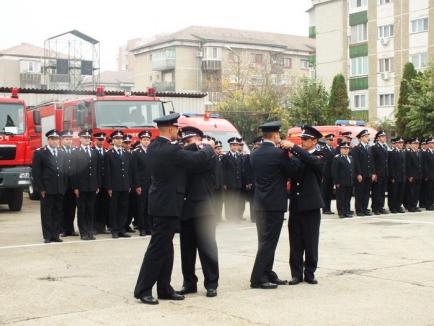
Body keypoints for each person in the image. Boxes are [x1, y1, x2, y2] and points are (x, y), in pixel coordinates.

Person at [133, 112, 215, 305]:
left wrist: (195, 145)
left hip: (161, 203)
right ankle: (143, 289)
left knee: (166, 248)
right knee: (157, 249)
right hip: (167, 204)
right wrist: (209, 148)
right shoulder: (170, 151)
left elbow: (182, 151)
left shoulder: (155, 146)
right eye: (176, 129)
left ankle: (164, 288)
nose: (178, 132)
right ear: (171, 129)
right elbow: (195, 160)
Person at [249, 121, 299, 290]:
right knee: (269, 242)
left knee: (264, 240)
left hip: (259, 203)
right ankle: (257, 278)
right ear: (276, 134)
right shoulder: (279, 154)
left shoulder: (254, 153)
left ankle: (267, 273)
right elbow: (292, 172)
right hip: (274, 203)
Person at [176, 126, 219, 298]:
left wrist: (202, 147)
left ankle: (212, 283)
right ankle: (189, 283)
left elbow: (195, 161)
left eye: (190, 140)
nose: (187, 144)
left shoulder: (207, 156)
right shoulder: (187, 155)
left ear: (200, 139)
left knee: (207, 249)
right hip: (185, 208)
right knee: (186, 250)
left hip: (203, 208)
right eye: (184, 141)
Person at [281, 125, 325, 285]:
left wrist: (293, 147)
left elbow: (314, 162)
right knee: (296, 240)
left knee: (311, 241)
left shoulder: (320, 154)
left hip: (311, 205)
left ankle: (310, 272)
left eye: (306, 140)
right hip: (296, 204)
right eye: (301, 140)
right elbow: (292, 172)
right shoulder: (297, 156)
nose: (303, 142)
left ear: (314, 141)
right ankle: (296, 273)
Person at [32, 129, 67, 243]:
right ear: (48, 140)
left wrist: (64, 186)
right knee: (47, 213)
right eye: (53, 139)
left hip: (59, 188)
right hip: (47, 189)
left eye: (57, 139)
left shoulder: (61, 152)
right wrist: (41, 188)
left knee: (57, 212)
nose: (55, 141)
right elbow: (36, 173)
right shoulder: (40, 153)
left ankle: (55, 235)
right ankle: (47, 236)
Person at [72, 129, 100, 240]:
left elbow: (96, 170)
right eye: (85, 137)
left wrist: (97, 184)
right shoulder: (76, 152)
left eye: (88, 138)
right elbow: (73, 171)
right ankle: (83, 231)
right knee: (82, 209)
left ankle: (89, 230)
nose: (87, 139)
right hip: (81, 186)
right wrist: (75, 187)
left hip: (92, 186)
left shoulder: (94, 152)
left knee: (90, 209)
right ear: (80, 139)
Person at [105, 130, 132, 238]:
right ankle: (114, 230)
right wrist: (109, 187)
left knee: (123, 208)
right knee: (114, 208)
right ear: (113, 140)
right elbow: (107, 172)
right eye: (117, 139)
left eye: (121, 139)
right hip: (114, 186)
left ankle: (122, 229)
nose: (120, 141)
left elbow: (129, 170)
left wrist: (129, 184)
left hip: (125, 185)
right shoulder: (109, 154)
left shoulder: (126, 153)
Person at [132, 130, 153, 236]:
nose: (146, 141)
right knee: (141, 206)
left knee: (149, 206)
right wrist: (137, 185)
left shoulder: (151, 151)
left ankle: (149, 226)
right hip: (141, 184)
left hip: (151, 184)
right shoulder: (136, 152)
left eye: (148, 140)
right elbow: (134, 170)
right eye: (144, 140)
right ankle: (142, 227)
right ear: (140, 141)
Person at [59, 129, 78, 237]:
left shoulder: (75, 151)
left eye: (70, 139)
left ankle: (70, 229)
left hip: (73, 185)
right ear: (62, 140)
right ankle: (62, 229)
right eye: (66, 139)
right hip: (62, 185)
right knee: (62, 208)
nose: (69, 141)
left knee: (71, 208)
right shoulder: (59, 151)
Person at [351, 129, 373, 216]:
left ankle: (364, 208)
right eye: (366, 136)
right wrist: (358, 174)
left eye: (368, 136)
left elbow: (371, 161)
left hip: (368, 174)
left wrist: (372, 172)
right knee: (359, 192)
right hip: (361, 174)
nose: (368, 138)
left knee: (366, 192)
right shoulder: (356, 148)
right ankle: (359, 210)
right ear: (361, 138)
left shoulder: (368, 148)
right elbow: (356, 163)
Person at [222, 137, 243, 221]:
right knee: (229, 201)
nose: (235, 147)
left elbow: (240, 170)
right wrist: (224, 183)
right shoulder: (226, 157)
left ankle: (235, 217)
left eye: (236, 145)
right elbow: (223, 171)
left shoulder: (239, 156)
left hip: (238, 183)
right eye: (233, 145)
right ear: (230, 146)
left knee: (236, 200)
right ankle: (229, 217)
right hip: (229, 183)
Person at [93, 132, 110, 234]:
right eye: (99, 139)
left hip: (105, 183)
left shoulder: (106, 151)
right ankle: (94, 226)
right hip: (95, 183)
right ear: (95, 140)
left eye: (102, 140)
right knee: (95, 206)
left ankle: (102, 227)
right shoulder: (92, 150)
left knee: (104, 206)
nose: (101, 141)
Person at [332, 142, 354, 218]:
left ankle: (347, 211)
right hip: (341, 182)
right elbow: (335, 171)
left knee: (347, 198)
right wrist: (336, 182)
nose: (346, 150)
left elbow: (352, 170)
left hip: (349, 181)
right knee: (341, 198)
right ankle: (341, 212)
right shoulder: (337, 158)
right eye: (344, 148)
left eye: (347, 148)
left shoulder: (350, 158)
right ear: (340, 149)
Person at [371, 130, 389, 215]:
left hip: (384, 172)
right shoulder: (374, 147)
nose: (384, 138)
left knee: (382, 191)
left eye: (384, 136)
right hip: (378, 173)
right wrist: (374, 173)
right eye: (382, 136)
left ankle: (381, 206)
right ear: (378, 138)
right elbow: (373, 161)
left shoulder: (385, 147)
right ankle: (375, 208)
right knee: (376, 191)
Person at [387, 137, 406, 213]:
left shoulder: (403, 152)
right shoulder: (392, 152)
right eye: (399, 143)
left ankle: (398, 206)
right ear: (396, 144)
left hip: (402, 176)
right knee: (393, 192)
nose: (401, 144)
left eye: (402, 143)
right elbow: (391, 166)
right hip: (395, 176)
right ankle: (392, 207)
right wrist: (392, 176)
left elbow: (404, 165)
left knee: (400, 192)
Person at [405, 138, 423, 212]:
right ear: (411, 144)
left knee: (416, 191)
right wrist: (410, 175)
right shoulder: (409, 153)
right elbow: (408, 165)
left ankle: (415, 205)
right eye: (415, 144)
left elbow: (420, 165)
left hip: (418, 175)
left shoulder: (419, 152)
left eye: (418, 144)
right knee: (411, 191)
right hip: (412, 176)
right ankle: (410, 206)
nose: (417, 145)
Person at [321, 134, 335, 215]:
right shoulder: (323, 149)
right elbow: (322, 163)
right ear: (326, 140)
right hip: (325, 174)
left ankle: (328, 208)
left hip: (331, 174)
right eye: (329, 140)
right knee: (324, 192)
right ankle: (324, 208)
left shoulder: (333, 149)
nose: (331, 141)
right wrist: (321, 175)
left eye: (332, 140)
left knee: (329, 192)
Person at [213, 140, 225, 221]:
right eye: (217, 148)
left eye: (220, 148)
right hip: (214, 184)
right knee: (214, 202)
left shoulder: (223, 158)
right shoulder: (212, 157)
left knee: (220, 202)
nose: (219, 150)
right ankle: (214, 218)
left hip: (221, 184)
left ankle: (218, 217)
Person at [424, 138, 434, 210]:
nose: (433, 144)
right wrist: (426, 175)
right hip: (429, 175)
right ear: (429, 144)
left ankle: (432, 203)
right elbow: (425, 165)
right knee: (428, 190)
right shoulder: (426, 153)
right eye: (432, 143)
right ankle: (428, 204)